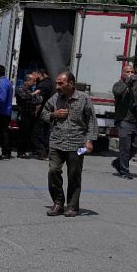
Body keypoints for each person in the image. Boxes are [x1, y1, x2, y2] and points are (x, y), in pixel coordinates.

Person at [41, 70, 97, 217]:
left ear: (71, 83)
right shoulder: (55, 98)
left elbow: (91, 121)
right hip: (56, 142)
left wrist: (89, 141)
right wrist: (54, 114)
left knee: (74, 175)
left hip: (77, 145)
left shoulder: (83, 98)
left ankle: (72, 206)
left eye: (61, 83)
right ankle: (58, 203)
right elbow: (44, 113)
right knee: (53, 171)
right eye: (56, 83)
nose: (57, 87)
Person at [111, 65, 137, 179]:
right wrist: (128, 82)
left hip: (134, 120)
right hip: (123, 120)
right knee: (125, 147)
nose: (130, 74)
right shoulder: (119, 85)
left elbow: (134, 104)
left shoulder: (134, 88)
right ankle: (124, 171)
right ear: (123, 74)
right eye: (128, 72)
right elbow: (118, 92)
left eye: (132, 72)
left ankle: (118, 162)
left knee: (136, 145)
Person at [15, 71, 42, 158]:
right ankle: (20, 151)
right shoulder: (20, 88)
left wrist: (33, 95)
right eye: (33, 81)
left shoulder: (30, 90)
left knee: (29, 133)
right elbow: (25, 97)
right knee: (23, 133)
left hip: (31, 114)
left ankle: (25, 149)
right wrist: (34, 94)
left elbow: (39, 100)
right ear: (28, 81)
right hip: (23, 114)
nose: (34, 83)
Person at [0, 65, 14, 159]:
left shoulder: (3, 83)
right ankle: (6, 151)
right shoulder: (7, 82)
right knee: (3, 132)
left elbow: (1, 99)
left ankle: (5, 152)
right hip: (5, 111)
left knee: (2, 133)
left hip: (2, 112)